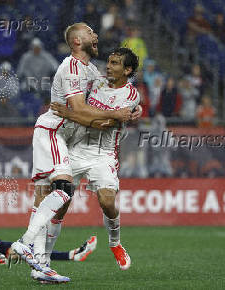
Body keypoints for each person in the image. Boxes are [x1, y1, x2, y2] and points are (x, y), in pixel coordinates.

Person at [10, 23, 135, 283]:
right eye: (91, 33)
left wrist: (131, 112)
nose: (96, 35)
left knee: (45, 198)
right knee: (62, 193)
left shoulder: (91, 71)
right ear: (78, 41)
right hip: (54, 132)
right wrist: (105, 114)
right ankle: (25, 244)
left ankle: (40, 266)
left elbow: (96, 110)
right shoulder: (71, 67)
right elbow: (78, 109)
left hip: (72, 140)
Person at [51, 47, 140, 271]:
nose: (108, 66)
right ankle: (43, 259)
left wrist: (71, 114)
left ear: (127, 70)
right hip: (77, 148)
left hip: (104, 154)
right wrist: (84, 112)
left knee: (107, 202)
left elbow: (104, 124)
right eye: (108, 62)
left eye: (115, 64)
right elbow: (78, 103)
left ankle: (115, 244)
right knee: (60, 203)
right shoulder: (95, 82)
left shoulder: (130, 95)